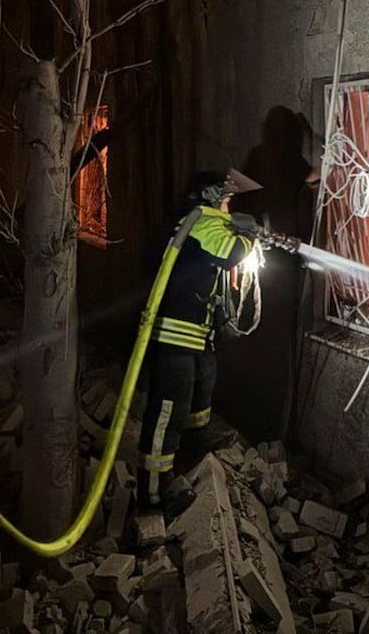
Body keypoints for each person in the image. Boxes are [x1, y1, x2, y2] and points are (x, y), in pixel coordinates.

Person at [137, 169, 264, 516]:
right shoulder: (200, 220)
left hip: (195, 335)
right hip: (173, 335)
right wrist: (249, 235)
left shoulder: (205, 221)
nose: (228, 208)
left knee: (202, 385)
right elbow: (229, 253)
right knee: (169, 410)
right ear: (210, 197)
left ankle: (194, 443)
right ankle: (152, 491)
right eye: (227, 200)